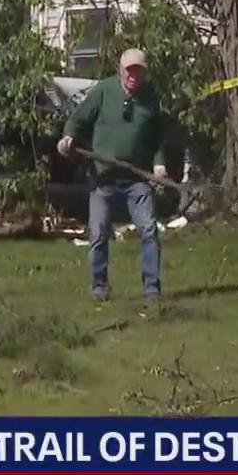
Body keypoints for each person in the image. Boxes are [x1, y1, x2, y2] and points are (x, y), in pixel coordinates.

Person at [58, 48, 167, 302]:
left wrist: (159, 165)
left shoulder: (150, 98)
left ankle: (151, 288)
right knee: (98, 232)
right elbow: (79, 118)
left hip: (137, 179)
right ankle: (99, 287)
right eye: (129, 70)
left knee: (149, 230)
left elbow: (157, 137)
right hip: (104, 178)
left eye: (138, 70)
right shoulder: (104, 91)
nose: (133, 75)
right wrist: (68, 137)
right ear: (121, 70)